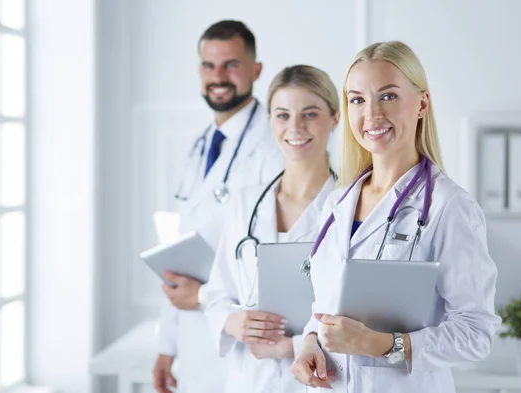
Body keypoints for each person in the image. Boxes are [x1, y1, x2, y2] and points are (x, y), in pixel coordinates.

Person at [290, 41, 501, 392]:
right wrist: (310, 340)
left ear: (421, 104)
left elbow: (476, 333)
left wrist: (383, 345)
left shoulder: (449, 207)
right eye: (357, 99)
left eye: (387, 96)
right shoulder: (338, 203)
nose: (371, 115)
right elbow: (327, 304)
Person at [153, 20, 284, 393]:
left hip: (242, 350)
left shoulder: (275, 147)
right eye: (209, 66)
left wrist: (203, 296)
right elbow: (179, 249)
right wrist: (166, 347)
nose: (218, 76)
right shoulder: (200, 145)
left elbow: (279, 260)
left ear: (256, 70)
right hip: (193, 349)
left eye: (231, 64)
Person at [203, 65, 340, 393]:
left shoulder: (351, 208)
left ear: (335, 118)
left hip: (321, 382)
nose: (295, 127)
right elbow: (216, 295)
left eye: (310, 114)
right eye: (282, 115)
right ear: (270, 121)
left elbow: (363, 322)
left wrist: (290, 346)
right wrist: (234, 323)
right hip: (250, 380)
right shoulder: (245, 202)